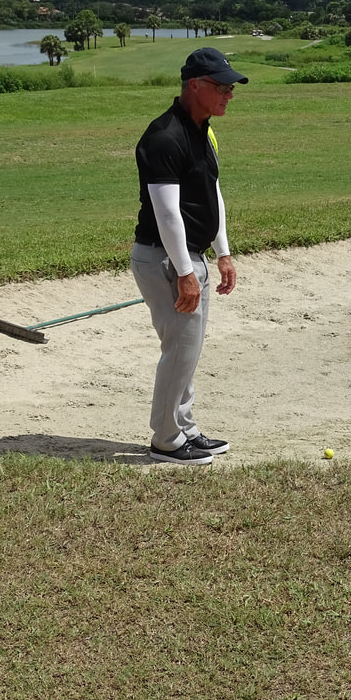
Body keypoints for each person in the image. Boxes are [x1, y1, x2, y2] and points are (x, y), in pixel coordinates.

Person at [130, 47, 247, 465]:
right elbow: (167, 213)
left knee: (188, 348)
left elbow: (212, 192)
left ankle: (184, 427)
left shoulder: (202, 131)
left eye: (231, 88)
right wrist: (184, 272)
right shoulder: (164, 136)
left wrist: (223, 252)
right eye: (222, 86)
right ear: (194, 85)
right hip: (165, 259)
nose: (229, 94)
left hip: (188, 258)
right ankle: (165, 440)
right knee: (180, 349)